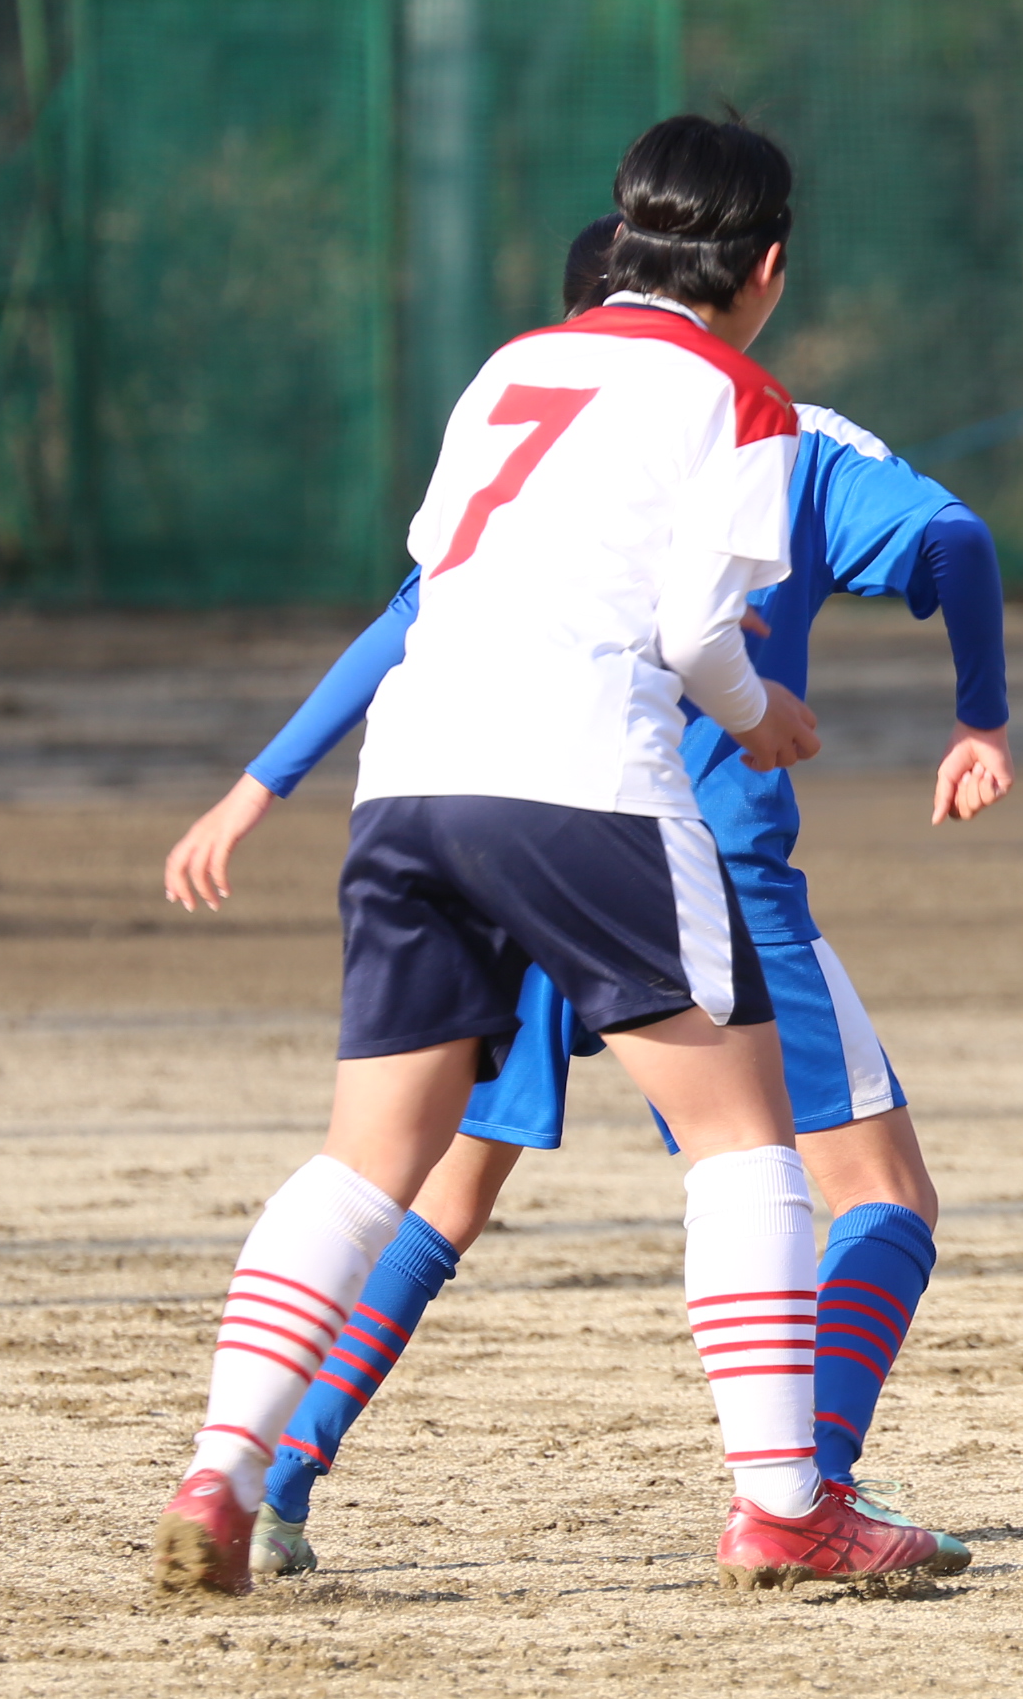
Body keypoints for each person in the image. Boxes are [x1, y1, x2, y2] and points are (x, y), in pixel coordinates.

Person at [148, 112, 954, 1593]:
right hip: (585, 785)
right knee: (742, 1140)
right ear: (766, 265)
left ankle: (222, 1469)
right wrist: (762, 714)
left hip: (411, 784)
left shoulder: (512, 366)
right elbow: (696, 634)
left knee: (368, 1160)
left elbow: (437, 570)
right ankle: (789, 1505)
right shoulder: (744, 396)